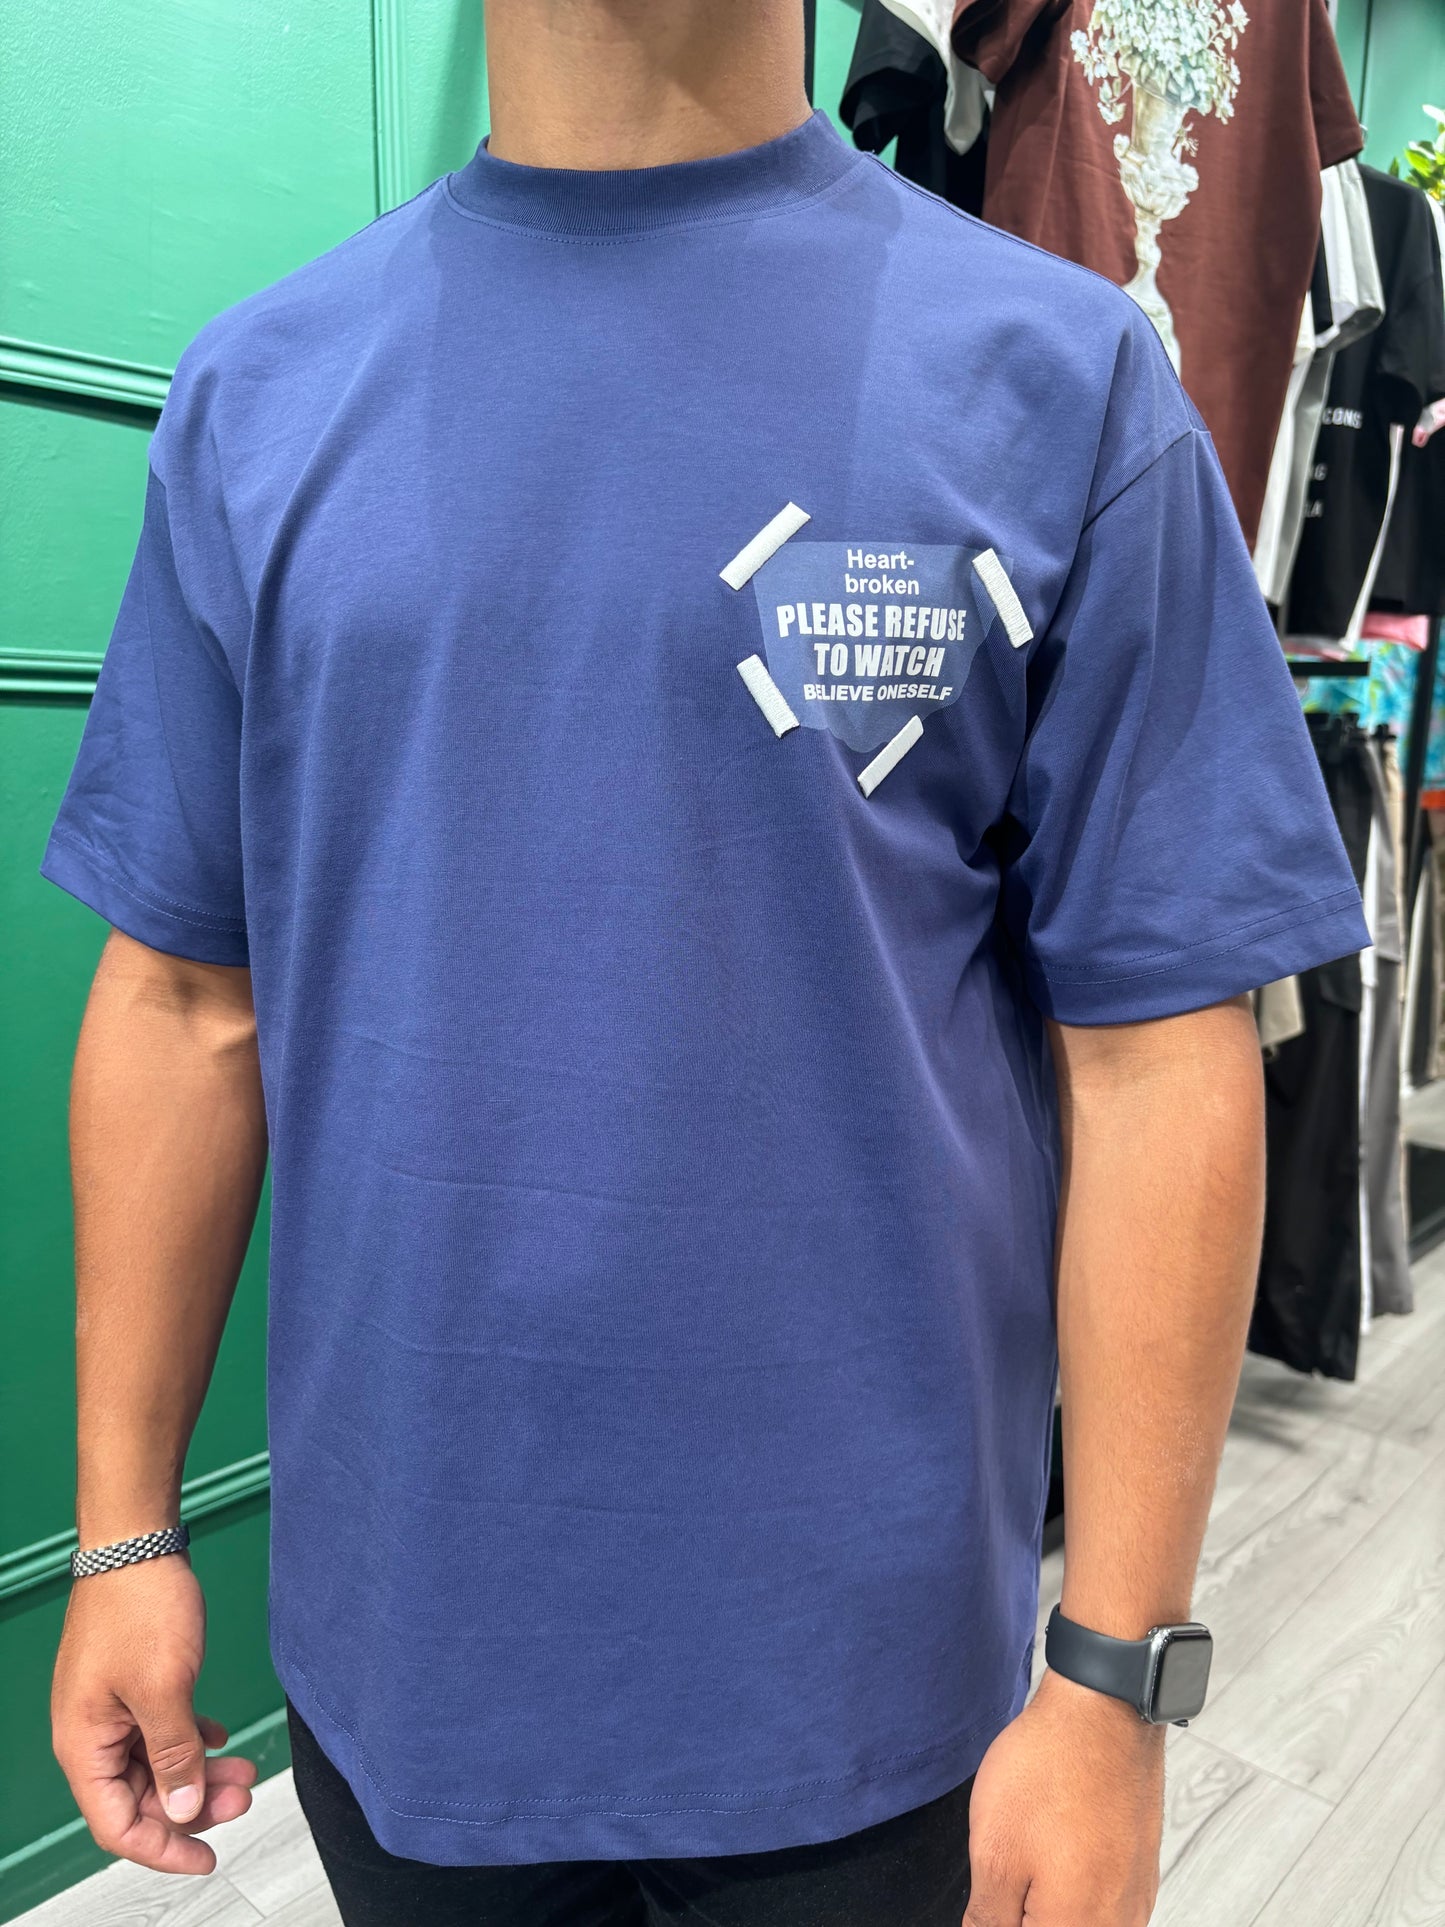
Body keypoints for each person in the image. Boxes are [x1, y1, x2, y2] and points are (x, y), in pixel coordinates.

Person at [44, 4, 1369, 1924]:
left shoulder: (1061, 381)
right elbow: (182, 998)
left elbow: (1158, 1045)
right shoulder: (262, 392)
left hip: (870, 1693)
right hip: (408, 1663)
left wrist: (1113, 1675)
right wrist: (119, 1530)